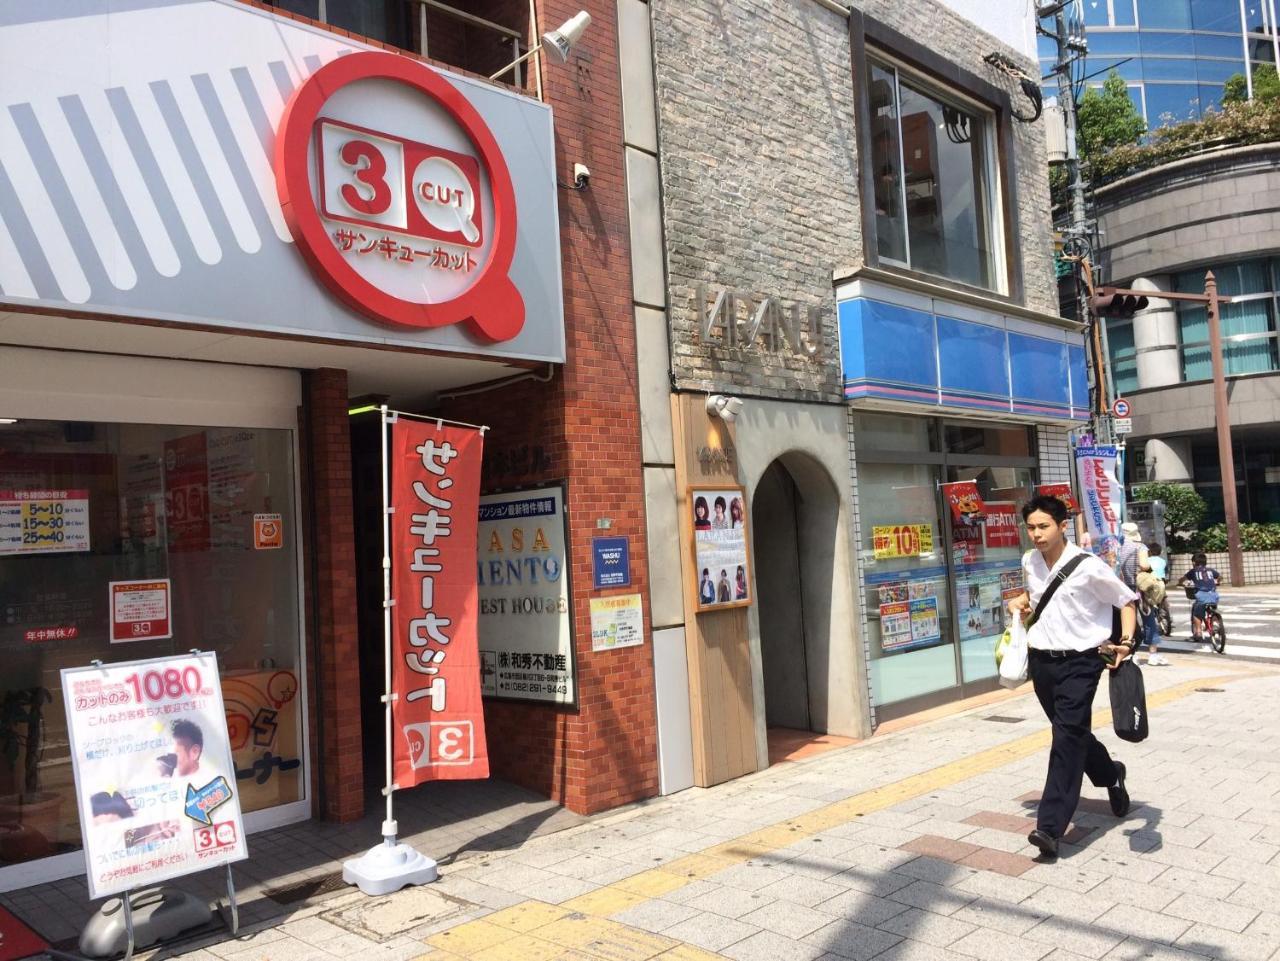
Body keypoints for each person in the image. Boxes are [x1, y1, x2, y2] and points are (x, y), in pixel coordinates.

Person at [1007, 495, 1136, 860]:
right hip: (1043, 661)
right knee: (1072, 731)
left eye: (1044, 526)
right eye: (1030, 527)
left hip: (1082, 661)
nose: (1036, 534)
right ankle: (1112, 774)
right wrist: (1018, 602)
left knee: (1065, 738)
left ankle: (1049, 827)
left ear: (1063, 526)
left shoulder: (1088, 566)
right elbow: (1036, 597)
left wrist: (1124, 643)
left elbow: (1127, 600)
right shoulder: (1029, 561)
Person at [1138, 542, 1170, 666]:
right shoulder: (1161, 561)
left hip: (1141, 589)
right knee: (1150, 620)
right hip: (1157, 586)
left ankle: (1133, 654)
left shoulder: (1145, 559)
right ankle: (1153, 654)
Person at [1180, 551, 1221, 642]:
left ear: (1194, 562)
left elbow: (1183, 579)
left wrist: (1180, 583)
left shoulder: (1193, 571)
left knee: (1197, 614)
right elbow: (1219, 577)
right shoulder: (1211, 570)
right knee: (1212, 607)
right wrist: (1217, 582)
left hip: (1201, 595)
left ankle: (1198, 631)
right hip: (1214, 595)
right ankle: (1215, 623)